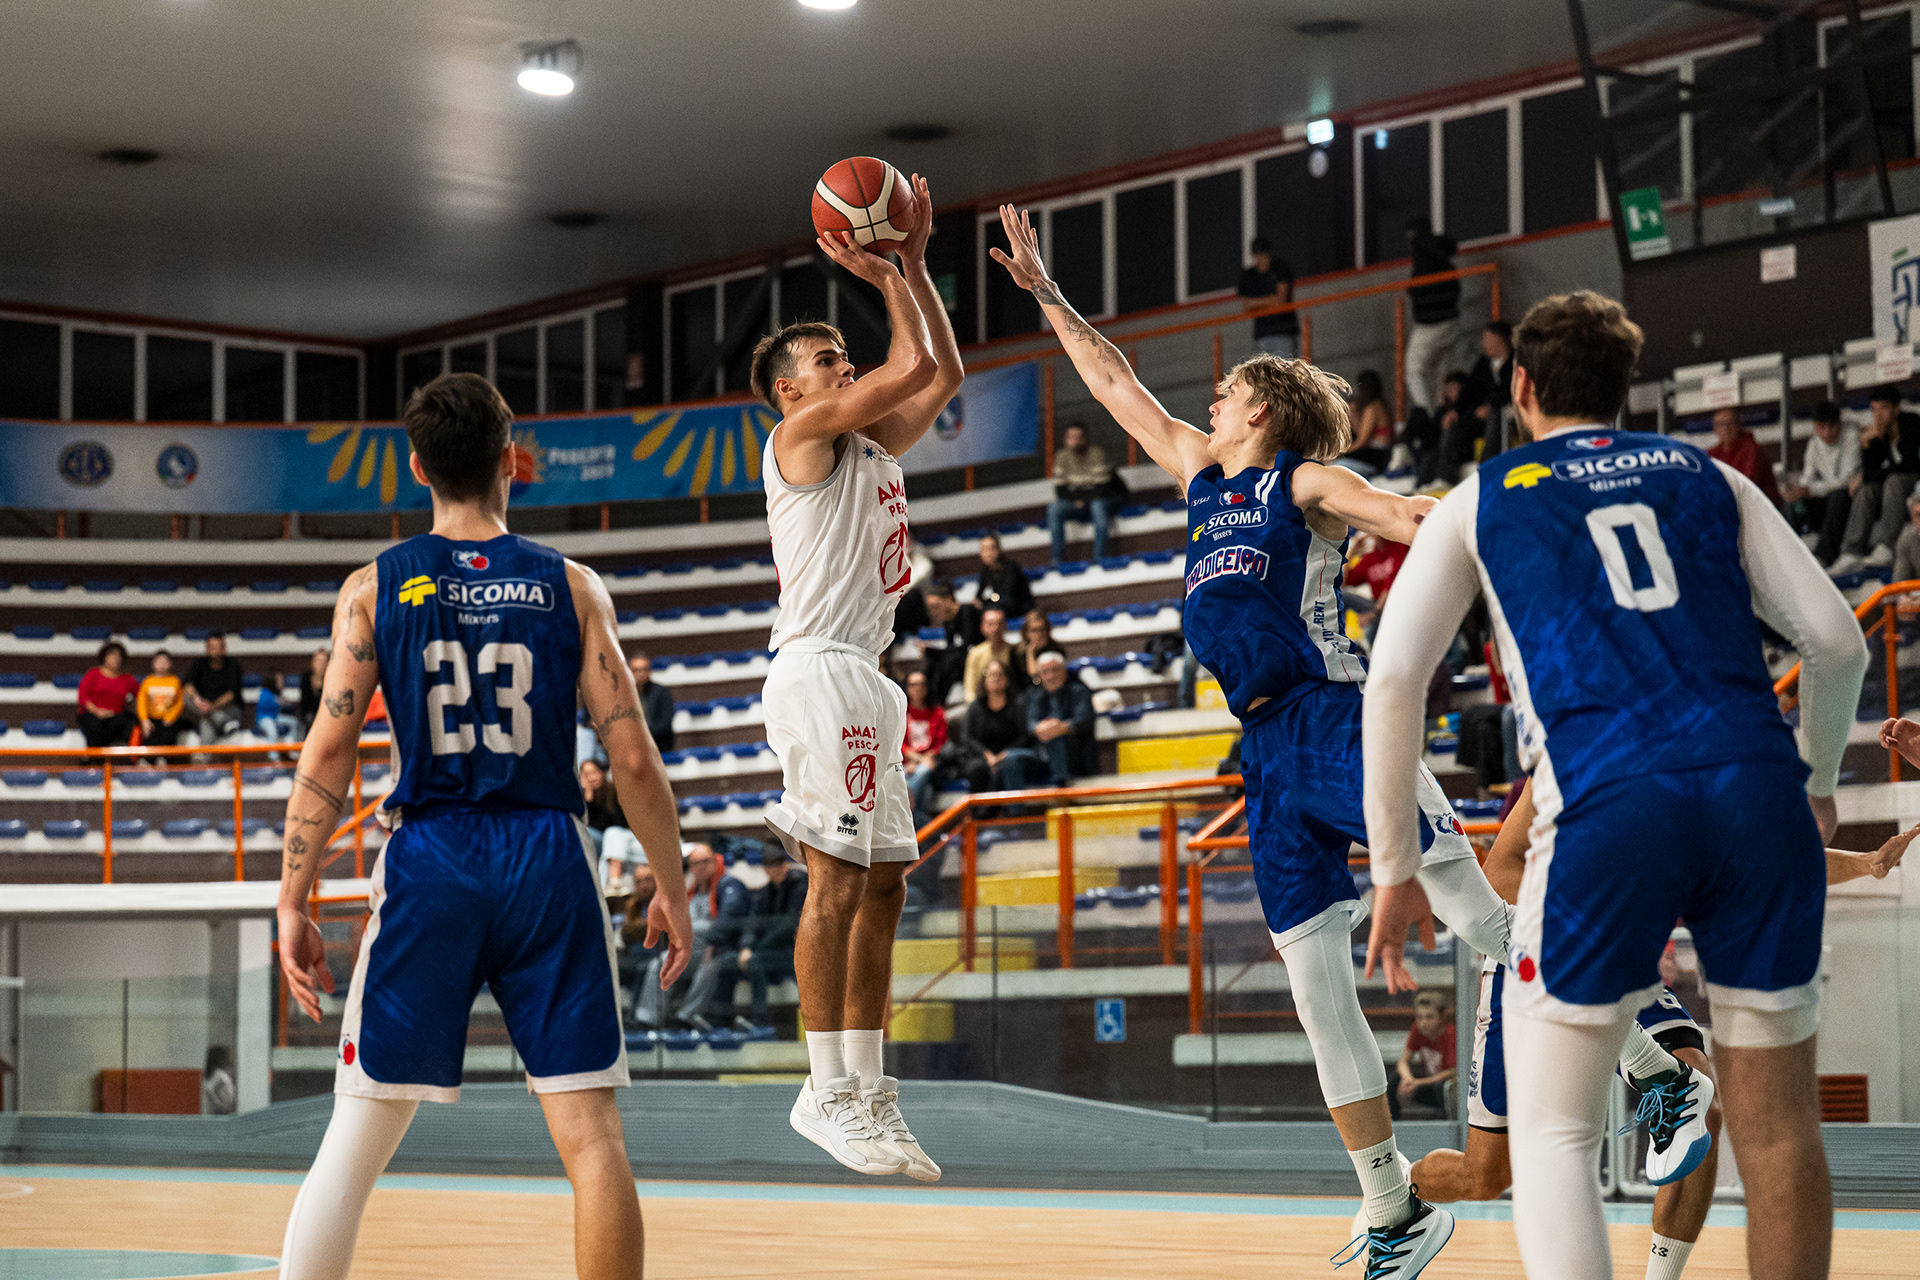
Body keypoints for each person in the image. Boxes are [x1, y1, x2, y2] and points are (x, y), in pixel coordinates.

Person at [994, 202, 1527, 1276]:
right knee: (1316, 985)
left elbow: (1403, 513)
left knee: (1479, 917)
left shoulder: (1303, 485)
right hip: (1267, 751)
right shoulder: (1200, 477)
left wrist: (1504, 519)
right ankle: (1393, 1207)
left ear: (1263, 410)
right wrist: (1048, 293)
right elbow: (1115, 384)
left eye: (1227, 389)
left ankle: (1649, 1053)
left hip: (1337, 717)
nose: (1211, 398)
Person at [1360, 289, 1868, 1280]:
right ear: (1624, 386)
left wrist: (1392, 867)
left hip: (1609, 800)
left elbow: (1394, 681)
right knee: (1778, 1131)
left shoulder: (1482, 495)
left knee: (1552, 1133)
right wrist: (1814, 781)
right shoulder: (1710, 474)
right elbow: (1838, 642)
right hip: (1757, 789)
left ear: (1520, 386)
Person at [273, 371, 694, 1280]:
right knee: (592, 1140)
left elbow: (329, 751)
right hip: (547, 855)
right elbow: (632, 760)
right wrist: (671, 885)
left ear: (417, 466)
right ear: (511, 460)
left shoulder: (372, 588)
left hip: (430, 857)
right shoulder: (572, 586)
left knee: (356, 1134)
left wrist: (292, 900)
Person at [1414, 776, 1915, 1280]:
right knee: (1485, 1175)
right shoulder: (1564, 759)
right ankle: (1396, 1194)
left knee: (1703, 1103)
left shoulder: (1696, 781)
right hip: (1523, 962)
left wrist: (1865, 864)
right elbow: (1498, 873)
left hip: (1621, 965)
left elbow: (1767, 861)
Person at [749, 170, 957, 1184]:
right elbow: (909, 359)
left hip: (869, 676)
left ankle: (870, 1088)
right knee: (834, 878)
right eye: (827, 359)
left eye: (844, 354)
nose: (845, 364)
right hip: (819, 668)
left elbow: (940, 371)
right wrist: (885, 274)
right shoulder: (798, 437)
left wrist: (912, 263)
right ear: (792, 390)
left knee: (886, 882)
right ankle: (823, 1083)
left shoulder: (869, 446)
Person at [701, 847, 807, 1033]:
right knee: (725, 962)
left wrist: (755, 950)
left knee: (754, 962)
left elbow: (789, 925)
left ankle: (760, 1022)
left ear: (785, 865)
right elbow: (753, 922)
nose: (774, 870)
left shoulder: (799, 886)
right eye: (769, 866)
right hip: (765, 951)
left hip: (793, 954)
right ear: (764, 868)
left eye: (778, 865)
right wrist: (746, 947)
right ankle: (721, 1023)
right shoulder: (767, 890)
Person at [1831, 383, 1920, 574]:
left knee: (1893, 480)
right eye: (1874, 409)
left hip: (1915, 482)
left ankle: (1887, 546)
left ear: (1897, 408)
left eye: (1884, 409)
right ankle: (1851, 552)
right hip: (1894, 488)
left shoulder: (1911, 423)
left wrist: (1867, 475)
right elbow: (1871, 474)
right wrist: (1868, 445)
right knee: (1866, 489)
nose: (1878, 415)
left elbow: (1908, 465)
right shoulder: (1880, 434)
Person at [1780, 400, 1858, 567]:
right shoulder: (1814, 444)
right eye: (1822, 427)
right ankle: (1787, 556)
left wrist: (1810, 489)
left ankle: (1824, 556)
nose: (1827, 432)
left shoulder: (1852, 439)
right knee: (1793, 502)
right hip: (1824, 502)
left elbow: (1845, 481)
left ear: (1839, 424)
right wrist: (1798, 491)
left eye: (1832, 426)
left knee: (1838, 496)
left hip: (1848, 502)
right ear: (1815, 427)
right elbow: (1807, 479)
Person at [956, 660, 1043, 793]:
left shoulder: (1017, 704)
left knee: (1006, 766)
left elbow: (1024, 737)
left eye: (1000, 674)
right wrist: (987, 755)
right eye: (991, 675)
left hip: (1010, 754)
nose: (995, 678)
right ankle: (978, 806)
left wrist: (1004, 754)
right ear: (984, 680)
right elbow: (967, 738)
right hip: (982, 756)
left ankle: (1007, 805)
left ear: (1007, 679)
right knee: (977, 769)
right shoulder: (975, 707)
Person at [1403, 216, 1460, 415]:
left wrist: (1413, 290)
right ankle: (1439, 415)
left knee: (1413, 369)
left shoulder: (1422, 254)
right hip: (1451, 320)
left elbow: (1423, 289)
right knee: (1439, 374)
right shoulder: (1441, 254)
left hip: (1431, 323)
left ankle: (1427, 417)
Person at [1020, 650, 1096, 786]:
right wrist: (1040, 728)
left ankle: (1061, 790)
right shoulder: (1035, 695)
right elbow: (1030, 723)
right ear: (1040, 676)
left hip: (1075, 751)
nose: (1050, 676)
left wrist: (1062, 728)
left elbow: (1084, 720)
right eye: (1045, 672)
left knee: (1056, 738)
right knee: (1012, 759)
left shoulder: (1079, 691)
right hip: (1042, 753)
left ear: (1064, 671)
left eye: (1055, 670)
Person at [1048, 423, 1118, 564]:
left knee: (1097, 506)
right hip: (1077, 501)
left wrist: (1084, 501)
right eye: (1070, 437)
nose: (1074, 441)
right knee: (1053, 509)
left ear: (1084, 439)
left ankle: (1099, 558)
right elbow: (1060, 489)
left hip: (1099, 498)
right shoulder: (1062, 456)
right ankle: (1056, 560)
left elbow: (1102, 487)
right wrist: (1077, 501)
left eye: (1077, 437)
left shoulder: (1096, 453)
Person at [912, 579, 982, 706]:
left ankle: (938, 702)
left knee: (948, 662)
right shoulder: (948, 621)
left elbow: (966, 644)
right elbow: (951, 646)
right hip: (961, 655)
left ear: (948, 600)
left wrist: (932, 650)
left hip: (976, 653)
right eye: (930, 608)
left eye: (936, 606)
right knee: (933, 662)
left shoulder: (966, 610)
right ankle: (929, 703)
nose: (934, 612)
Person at [1388, 992, 1455, 1121]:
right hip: (1429, 1084)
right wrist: (1408, 1080)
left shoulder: (1451, 1034)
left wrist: (1418, 1083)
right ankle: (1392, 1123)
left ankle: (1446, 1124)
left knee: (1443, 1086)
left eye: (1430, 1017)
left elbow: (1453, 1071)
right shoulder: (1417, 1030)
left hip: (1448, 1088)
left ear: (1441, 1017)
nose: (1424, 1023)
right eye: (1420, 1017)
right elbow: (1403, 1061)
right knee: (1395, 1080)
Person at [1706, 406, 1783, 509]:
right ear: (1714, 429)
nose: (1725, 429)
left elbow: (1746, 484)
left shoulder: (1752, 450)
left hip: (1758, 510)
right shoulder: (1712, 454)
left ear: (1739, 425)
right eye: (1720, 424)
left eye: (1730, 423)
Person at [1238, 235, 1299, 359]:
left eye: (1263, 254)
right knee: (1263, 371)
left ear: (1268, 254)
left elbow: (1281, 300)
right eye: (1257, 255)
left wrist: (1256, 303)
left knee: (1284, 370)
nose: (1261, 259)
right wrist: (1271, 300)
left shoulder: (1280, 268)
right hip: (1262, 334)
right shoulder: (1249, 276)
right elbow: (1247, 305)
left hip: (1284, 331)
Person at [901, 670, 948, 830]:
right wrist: (916, 760)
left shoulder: (937, 713)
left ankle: (908, 806)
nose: (918, 688)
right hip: (906, 765)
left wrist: (924, 760)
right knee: (924, 791)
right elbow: (898, 742)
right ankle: (926, 830)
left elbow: (941, 743)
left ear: (927, 687)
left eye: (921, 684)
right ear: (907, 688)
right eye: (913, 685)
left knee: (924, 771)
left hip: (931, 765)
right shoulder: (901, 713)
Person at [1464, 320, 1514, 459]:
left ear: (1498, 339)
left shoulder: (1515, 361)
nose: (1483, 344)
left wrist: (1491, 405)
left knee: (1497, 414)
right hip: (1482, 411)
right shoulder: (1483, 363)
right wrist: (1456, 410)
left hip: (1505, 409)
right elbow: (1469, 389)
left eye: (1487, 339)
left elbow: (1510, 390)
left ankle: (1487, 461)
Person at [183, 633, 245, 744]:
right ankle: (223, 723)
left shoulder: (233, 665)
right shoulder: (199, 663)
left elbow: (231, 695)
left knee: (207, 719)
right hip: (201, 709)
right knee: (187, 698)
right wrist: (199, 701)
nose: (215, 651)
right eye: (212, 647)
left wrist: (211, 707)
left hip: (227, 711)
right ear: (207, 648)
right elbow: (188, 685)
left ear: (224, 648)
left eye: (218, 647)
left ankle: (204, 753)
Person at [76, 641, 138, 748]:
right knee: (93, 725)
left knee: (127, 722)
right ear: (104, 657)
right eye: (112, 655)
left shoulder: (127, 679)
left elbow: (140, 695)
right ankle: (94, 755)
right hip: (93, 715)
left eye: (118, 656)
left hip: (116, 717)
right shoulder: (93, 673)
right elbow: (82, 696)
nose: (116, 659)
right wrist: (97, 711)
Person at [962, 607, 1023, 702]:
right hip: (982, 703)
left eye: (999, 623)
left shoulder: (1015, 651)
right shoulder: (975, 654)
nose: (995, 628)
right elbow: (970, 688)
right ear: (982, 627)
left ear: (1005, 626)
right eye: (990, 624)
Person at [1344, 370, 1393, 475]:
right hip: (1383, 454)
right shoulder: (1384, 405)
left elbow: (1362, 441)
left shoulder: (1372, 408)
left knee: (1337, 465)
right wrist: (1354, 417)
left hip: (1377, 456)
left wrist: (1340, 452)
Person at [974, 532, 1033, 618]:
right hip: (996, 605)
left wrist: (988, 601)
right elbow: (979, 595)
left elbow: (1008, 595)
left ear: (999, 549)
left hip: (1016, 607)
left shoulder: (1011, 567)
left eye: (992, 548)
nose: (988, 553)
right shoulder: (985, 570)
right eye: (984, 549)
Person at [136, 650, 185, 750]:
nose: (162, 664)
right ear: (153, 663)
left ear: (171, 664)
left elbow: (179, 703)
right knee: (148, 736)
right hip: (151, 718)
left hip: (168, 719)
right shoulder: (147, 681)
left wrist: (171, 717)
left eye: (165, 661)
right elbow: (141, 702)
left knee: (169, 736)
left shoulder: (175, 681)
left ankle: (165, 757)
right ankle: (148, 758)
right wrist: (144, 720)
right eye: (159, 661)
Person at [628, 652, 676, 752]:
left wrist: (642, 734)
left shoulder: (661, 692)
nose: (640, 674)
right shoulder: (624, 694)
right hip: (631, 746)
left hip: (658, 745)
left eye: (644, 669)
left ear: (649, 671)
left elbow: (665, 723)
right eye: (636, 670)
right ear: (629, 671)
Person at [1016, 610, 1065, 684]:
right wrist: (1030, 652)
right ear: (1026, 633)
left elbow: (1036, 675)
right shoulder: (1018, 653)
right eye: (1034, 630)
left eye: (1042, 629)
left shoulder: (1057, 649)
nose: (1039, 634)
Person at [296, 648, 327, 737]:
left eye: (323, 662)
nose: (321, 665)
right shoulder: (306, 677)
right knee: (310, 719)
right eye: (319, 661)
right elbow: (305, 702)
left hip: (325, 715)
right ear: (313, 662)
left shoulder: (330, 679)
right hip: (308, 714)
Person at [202, 1045, 237, 1116]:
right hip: (221, 1113)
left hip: (226, 1111)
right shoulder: (218, 1074)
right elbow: (208, 1088)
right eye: (229, 1056)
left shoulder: (223, 1073)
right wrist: (220, 1104)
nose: (231, 1058)